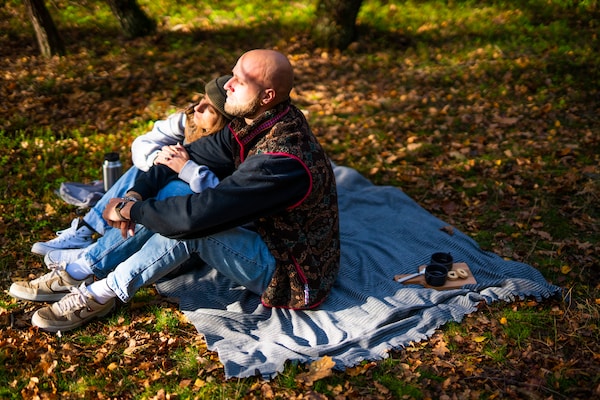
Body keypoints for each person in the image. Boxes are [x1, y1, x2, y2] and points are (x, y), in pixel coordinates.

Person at [14, 49, 341, 333]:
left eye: (240, 80)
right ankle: (81, 270)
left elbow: (195, 219)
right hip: (263, 232)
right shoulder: (259, 119)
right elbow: (181, 158)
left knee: (195, 229)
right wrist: (134, 196)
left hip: (291, 274)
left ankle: (101, 294)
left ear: (267, 95)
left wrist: (130, 212)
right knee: (172, 186)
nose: (227, 83)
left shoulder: (280, 158)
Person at [10, 74, 232, 299]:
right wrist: (155, 162)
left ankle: (85, 263)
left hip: (189, 232)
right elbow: (142, 144)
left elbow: (225, 200)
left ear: (224, 120)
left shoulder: (227, 148)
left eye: (209, 108)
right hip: (161, 209)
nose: (198, 107)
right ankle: (87, 234)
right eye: (201, 98)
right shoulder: (188, 118)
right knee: (146, 169)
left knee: (174, 191)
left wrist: (186, 169)